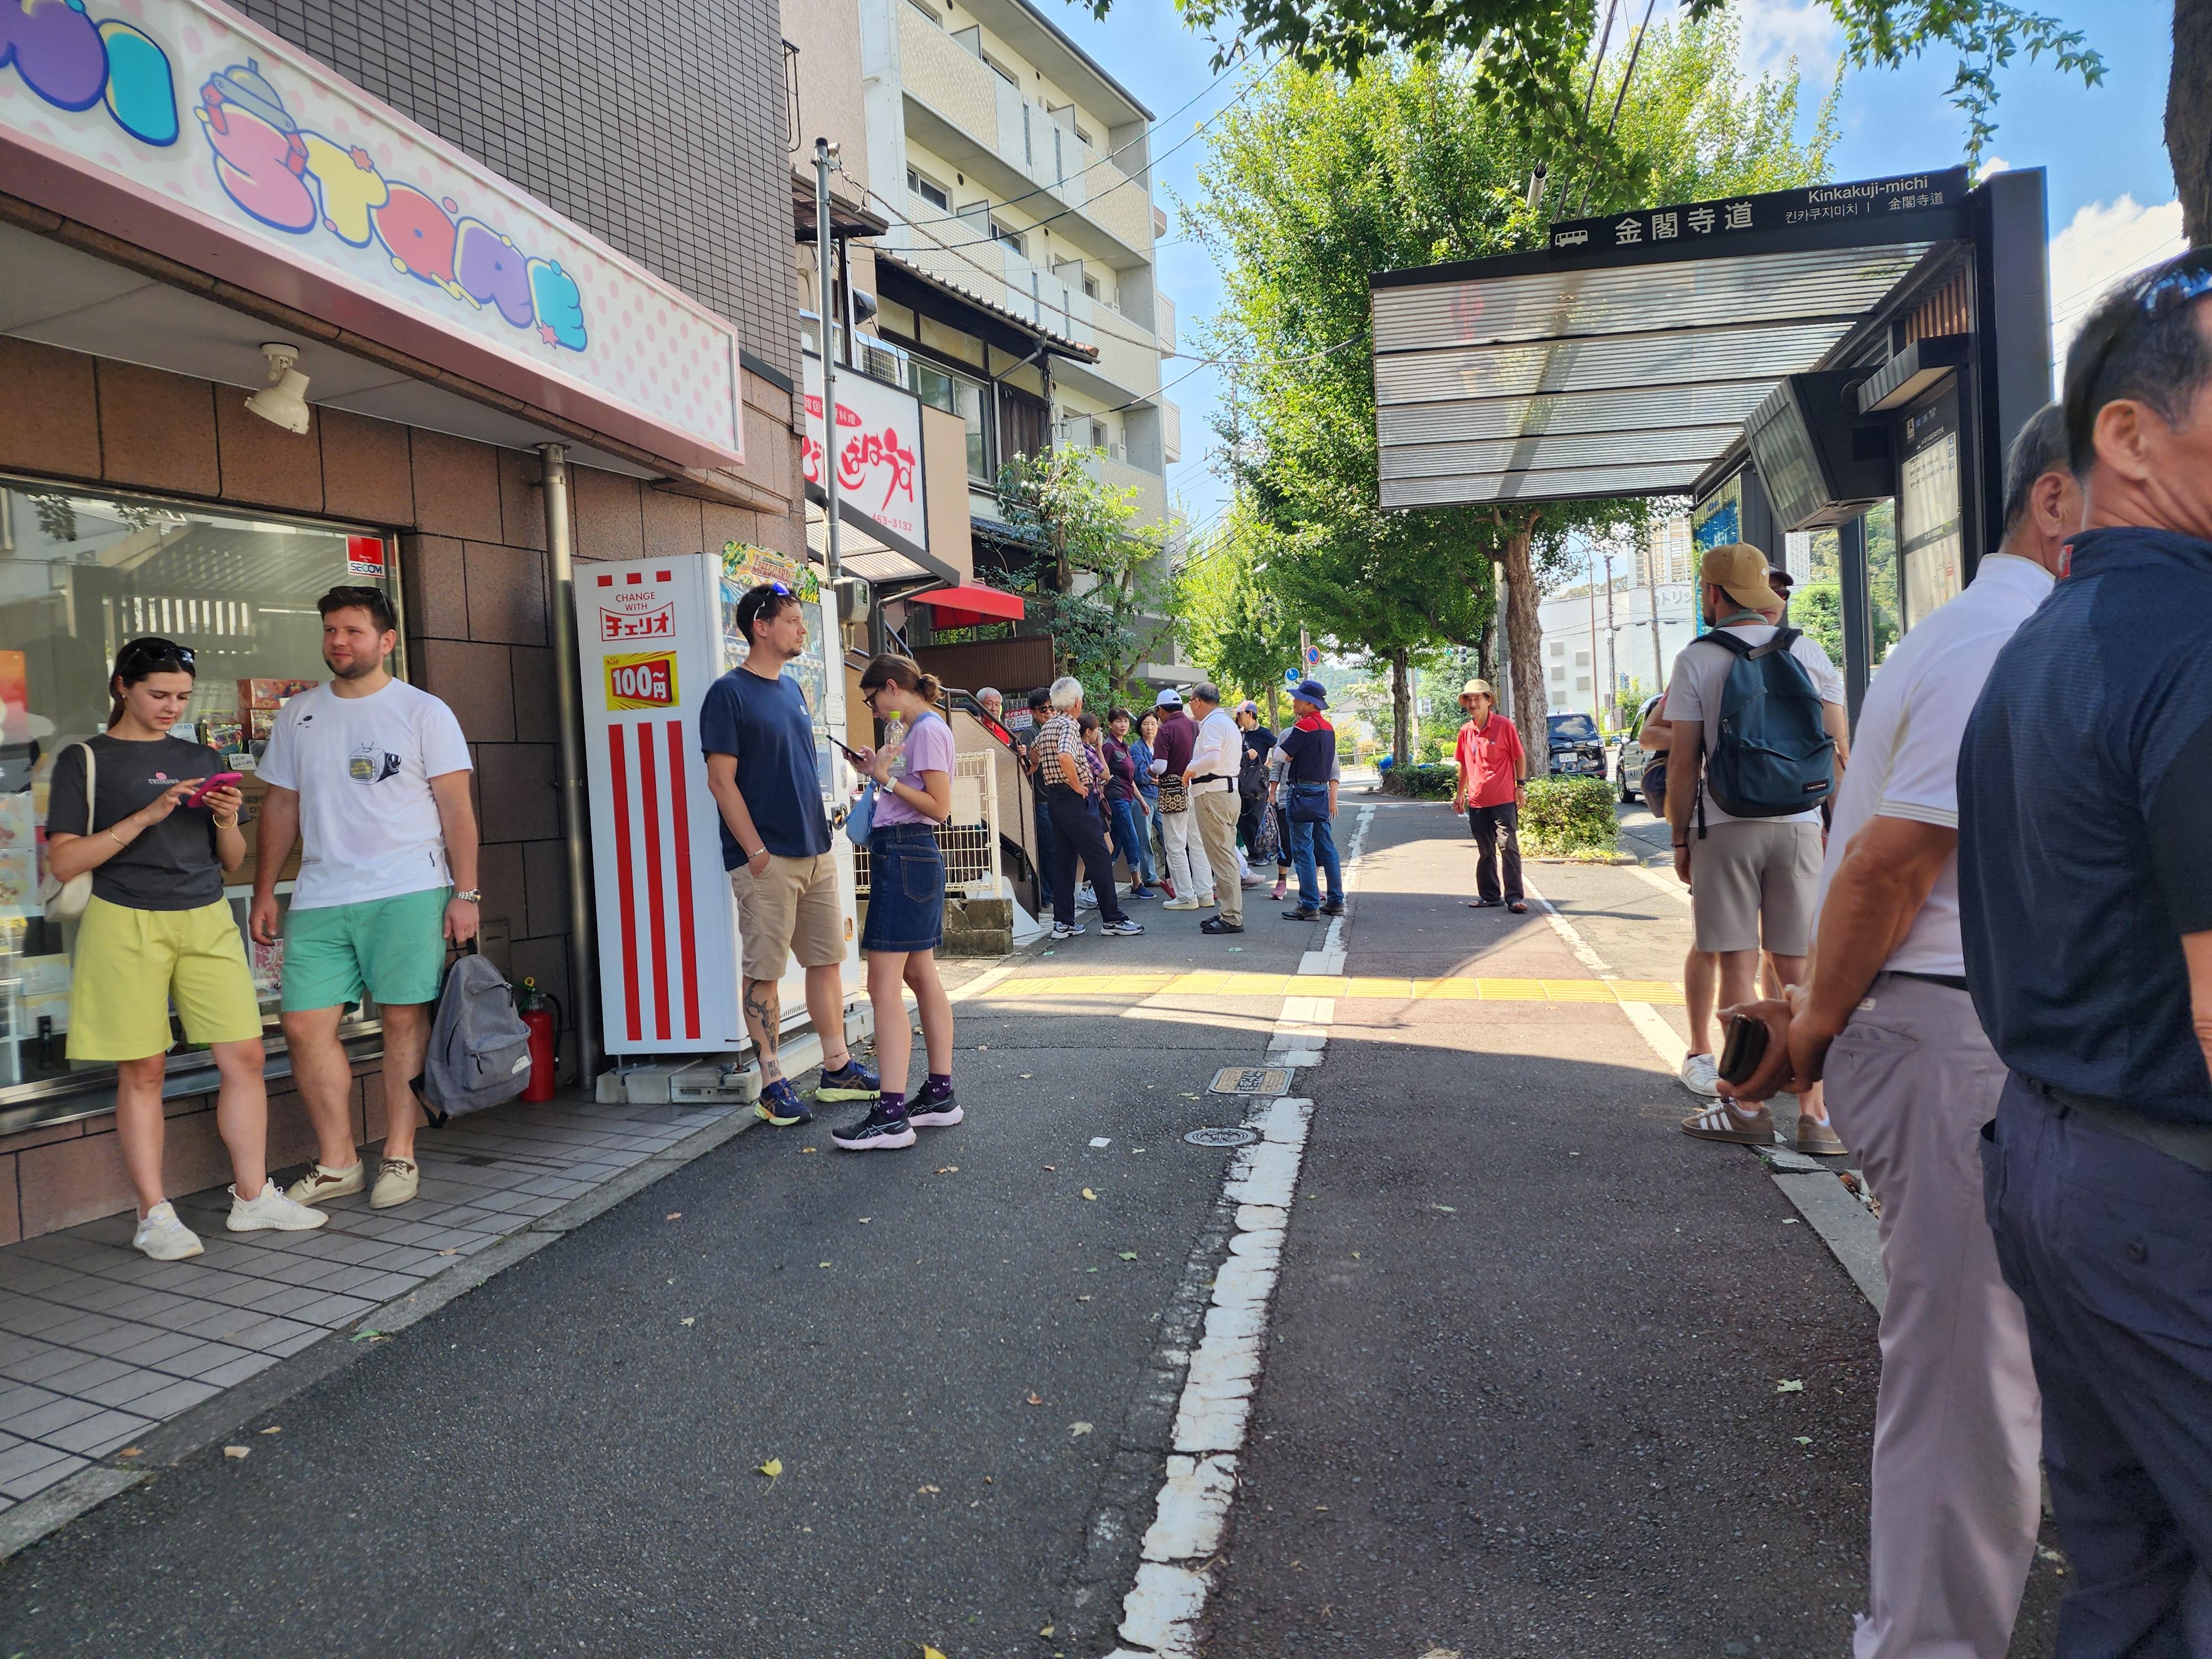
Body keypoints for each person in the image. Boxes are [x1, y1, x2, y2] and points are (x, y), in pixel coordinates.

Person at [1724, 403, 2078, 1659]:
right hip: (1949, 1030)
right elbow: (1888, 863)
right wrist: (1812, 1033)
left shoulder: (1994, 633)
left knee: (1998, 1369)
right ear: (2055, 500)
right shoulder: (2004, 642)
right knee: (1969, 1380)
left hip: (1971, 1032)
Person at [1961, 251, 2212, 1652]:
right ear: (2126, 434)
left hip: (2054, 1162)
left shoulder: (2038, 648)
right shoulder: (2192, 642)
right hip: (2167, 1189)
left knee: (2124, 1574)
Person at [49, 638, 328, 1260]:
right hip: (124, 918)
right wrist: (144, 818)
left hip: (205, 915)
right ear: (122, 686)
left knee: (246, 1055)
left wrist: (227, 820)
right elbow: (64, 860)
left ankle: (253, 1197)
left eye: (182, 696)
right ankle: (153, 1214)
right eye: (159, 694)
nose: (172, 707)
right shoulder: (85, 758)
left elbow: (230, 860)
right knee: (143, 1068)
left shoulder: (201, 755)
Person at [252, 587, 479, 1213]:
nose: (338, 641)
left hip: (408, 888)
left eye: (353, 631)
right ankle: (339, 1162)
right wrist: (266, 889)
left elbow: (456, 809)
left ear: (386, 641)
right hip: (321, 892)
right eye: (331, 630)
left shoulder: (423, 711)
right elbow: (281, 805)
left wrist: (465, 892)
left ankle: (400, 1151)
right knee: (303, 1025)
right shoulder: (299, 713)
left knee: (402, 1020)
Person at [1663, 543, 1849, 1154]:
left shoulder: (1698, 657)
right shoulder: (1808, 650)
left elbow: (1683, 761)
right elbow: (1838, 748)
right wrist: (1834, 827)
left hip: (1725, 824)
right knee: (1798, 970)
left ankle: (1744, 1105)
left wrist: (1680, 836)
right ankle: (1817, 1117)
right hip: (1800, 825)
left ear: (1714, 594)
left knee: (1738, 968)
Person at [700, 581, 879, 1129]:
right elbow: (720, 781)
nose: (803, 629)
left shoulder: (794, 689)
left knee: (826, 962)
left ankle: (837, 1068)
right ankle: (772, 1083)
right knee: (765, 972)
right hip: (767, 858)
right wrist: (754, 851)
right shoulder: (727, 694)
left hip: (814, 849)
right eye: (793, 621)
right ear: (761, 626)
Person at [833, 655, 961, 1152]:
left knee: (882, 985)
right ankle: (939, 1095)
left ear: (891, 687)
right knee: (920, 976)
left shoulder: (924, 730)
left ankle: (891, 1115)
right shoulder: (921, 729)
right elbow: (917, 795)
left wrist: (884, 779)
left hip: (905, 852)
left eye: (872, 700)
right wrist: (877, 770)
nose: (873, 709)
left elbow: (939, 806)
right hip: (913, 855)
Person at [1639, 692, 1723, 1097]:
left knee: (1783, 950)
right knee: (1715, 942)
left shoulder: (1802, 661)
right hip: (1715, 821)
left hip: (1792, 818)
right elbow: (1649, 735)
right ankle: (1702, 1052)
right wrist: (1706, 736)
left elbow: (1835, 742)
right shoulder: (1698, 666)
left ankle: (1776, 1057)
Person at [1033, 677, 1142, 941]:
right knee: (1100, 856)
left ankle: (1064, 922)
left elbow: (1034, 755)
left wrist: (1037, 767)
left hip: (1055, 799)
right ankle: (1113, 919)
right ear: (1077, 702)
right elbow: (1065, 755)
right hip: (1075, 798)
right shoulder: (1070, 725)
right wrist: (1076, 784)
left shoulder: (1048, 726)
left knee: (1065, 860)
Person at [1451, 678, 1527, 915]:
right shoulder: (1465, 731)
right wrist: (1460, 794)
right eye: (1469, 699)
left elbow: (1519, 756)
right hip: (1477, 801)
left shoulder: (1504, 726)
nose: (1473, 703)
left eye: (1478, 698)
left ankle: (1514, 897)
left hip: (1503, 800)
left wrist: (1520, 786)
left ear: (1488, 701)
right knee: (1485, 851)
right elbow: (1463, 764)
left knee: (1508, 847)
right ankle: (1490, 896)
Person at [1277, 679, 1344, 920]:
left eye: (1297, 698)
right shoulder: (1328, 728)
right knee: (1326, 846)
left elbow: (1280, 754)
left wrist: (1293, 757)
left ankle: (1309, 904)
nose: (1294, 702)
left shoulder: (1304, 726)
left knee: (1303, 848)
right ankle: (1336, 900)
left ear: (1308, 703)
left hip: (1301, 792)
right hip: (1321, 791)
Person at [1185, 684, 1245, 935]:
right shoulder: (1228, 723)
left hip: (1213, 794)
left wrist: (1190, 769)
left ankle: (1231, 916)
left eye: (1190, 701)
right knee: (1225, 854)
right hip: (1228, 792)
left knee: (1221, 857)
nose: (1190, 706)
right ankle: (1228, 911)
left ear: (1198, 701)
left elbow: (1212, 759)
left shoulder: (1211, 724)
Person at [1151, 688, 1212, 911]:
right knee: (1197, 843)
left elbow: (1160, 767)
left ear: (1161, 710)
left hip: (1173, 790)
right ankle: (1205, 893)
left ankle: (1186, 896)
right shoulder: (1195, 726)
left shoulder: (1165, 730)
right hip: (1195, 787)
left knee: (1175, 845)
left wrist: (1149, 769)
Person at [1012, 686, 1058, 916]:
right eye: (1043, 709)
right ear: (1033, 711)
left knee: (1056, 850)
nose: (1048, 712)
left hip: (1055, 798)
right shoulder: (1031, 734)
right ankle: (1047, 898)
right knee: (1048, 851)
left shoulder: (1056, 730)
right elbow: (1027, 767)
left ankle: (1054, 895)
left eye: (1051, 707)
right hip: (1041, 800)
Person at [1102, 708, 1156, 899]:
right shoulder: (1108, 747)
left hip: (1126, 797)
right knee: (1132, 840)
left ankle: (1099, 882)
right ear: (1110, 724)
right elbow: (1100, 772)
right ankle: (1137, 884)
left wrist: (1141, 801)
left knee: (1116, 843)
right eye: (1118, 721)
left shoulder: (1124, 747)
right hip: (1116, 799)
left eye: (1125, 721)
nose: (1123, 725)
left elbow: (1130, 779)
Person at [1234, 701, 1275, 891]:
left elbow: (1280, 747)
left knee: (1258, 818)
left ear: (1250, 714)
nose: (1238, 717)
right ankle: (1252, 852)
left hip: (1258, 782)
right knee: (1243, 820)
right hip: (1242, 782)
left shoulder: (1263, 733)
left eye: (1240, 714)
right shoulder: (1240, 734)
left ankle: (1263, 854)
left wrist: (1268, 766)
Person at [1127, 708, 1166, 896]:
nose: (1150, 728)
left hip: (1161, 796)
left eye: (1153, 724)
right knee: (1145, 839)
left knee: (1169, 835)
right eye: (1146, 724)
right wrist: (1155, 777)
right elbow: (1140, 775)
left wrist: (1157, 778)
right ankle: (1150, 876)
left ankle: (1173, 873)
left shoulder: (1161, 746)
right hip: (1143, 798)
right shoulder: (1136, 748)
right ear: (1140, 727)